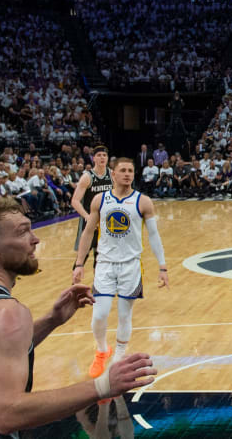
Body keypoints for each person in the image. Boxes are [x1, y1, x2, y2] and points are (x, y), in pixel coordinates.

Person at [0, 198, 157, 437]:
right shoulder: (5, 312)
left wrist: (52, 320)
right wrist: (103, 386)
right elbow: (8, 415)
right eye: (23, 232)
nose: (35, 239)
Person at [73, 157, 169, 380]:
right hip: (105, 264)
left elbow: (154, 236)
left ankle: (119, 356)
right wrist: (79, 264)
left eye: (130, 171)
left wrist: (162, 267)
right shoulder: (99, 199)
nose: (127, 174)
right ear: (113, 175)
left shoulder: (143, 202)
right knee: (100, 315)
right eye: (122, 170)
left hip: (131, 266)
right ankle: (101, 349)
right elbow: (88, 233)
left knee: (125, 316)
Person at [71, 146, 113, 271]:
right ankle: (75, 284)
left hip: (106, 221)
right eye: (99, 155)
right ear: (94, 158)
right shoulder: (87, 177)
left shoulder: (112, 175)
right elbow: (75, 201)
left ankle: (99, 287)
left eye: (104, 155)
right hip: (89, 219)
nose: (102, 158)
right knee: (82, 256)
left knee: (101, 256)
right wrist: (87, 217)